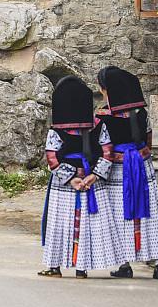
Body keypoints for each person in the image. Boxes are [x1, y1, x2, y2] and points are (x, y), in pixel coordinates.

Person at [38, 76, 122, 278]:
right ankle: (81, 268)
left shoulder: (56, 129)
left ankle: (54, 266)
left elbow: (52, 158)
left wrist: (71, 178)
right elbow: (107, 153)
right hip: (91, 182)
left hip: (64, 186)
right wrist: (93, 176)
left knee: (59, 223)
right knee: (85, 224)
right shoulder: (98, 125)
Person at [96, 66, 158, 279]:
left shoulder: (103, 116)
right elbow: (148, 140)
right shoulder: (141, 112)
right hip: (142, 165)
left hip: (118, 171)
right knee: (148, 211)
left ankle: (125, 264)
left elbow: (104, 146)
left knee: (120, 215)